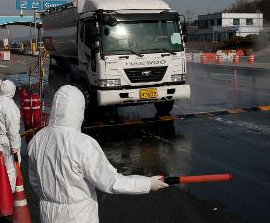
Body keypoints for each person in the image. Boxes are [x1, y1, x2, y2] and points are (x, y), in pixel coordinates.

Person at [28, 85, 168, 223]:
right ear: (79, 110)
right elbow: (111, 181)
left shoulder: (38, 139)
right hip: (78, 215)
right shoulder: (82, 144)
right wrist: (147, 183)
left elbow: (34, 180)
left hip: (47, 213)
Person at [0, 79, 21, 192]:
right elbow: (12, 129)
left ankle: (3, 190)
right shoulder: (10, 105)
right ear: (11, 91)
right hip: (6, 140)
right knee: (11, 168)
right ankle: (10, 193)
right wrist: (15, 146)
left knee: (2, 167)